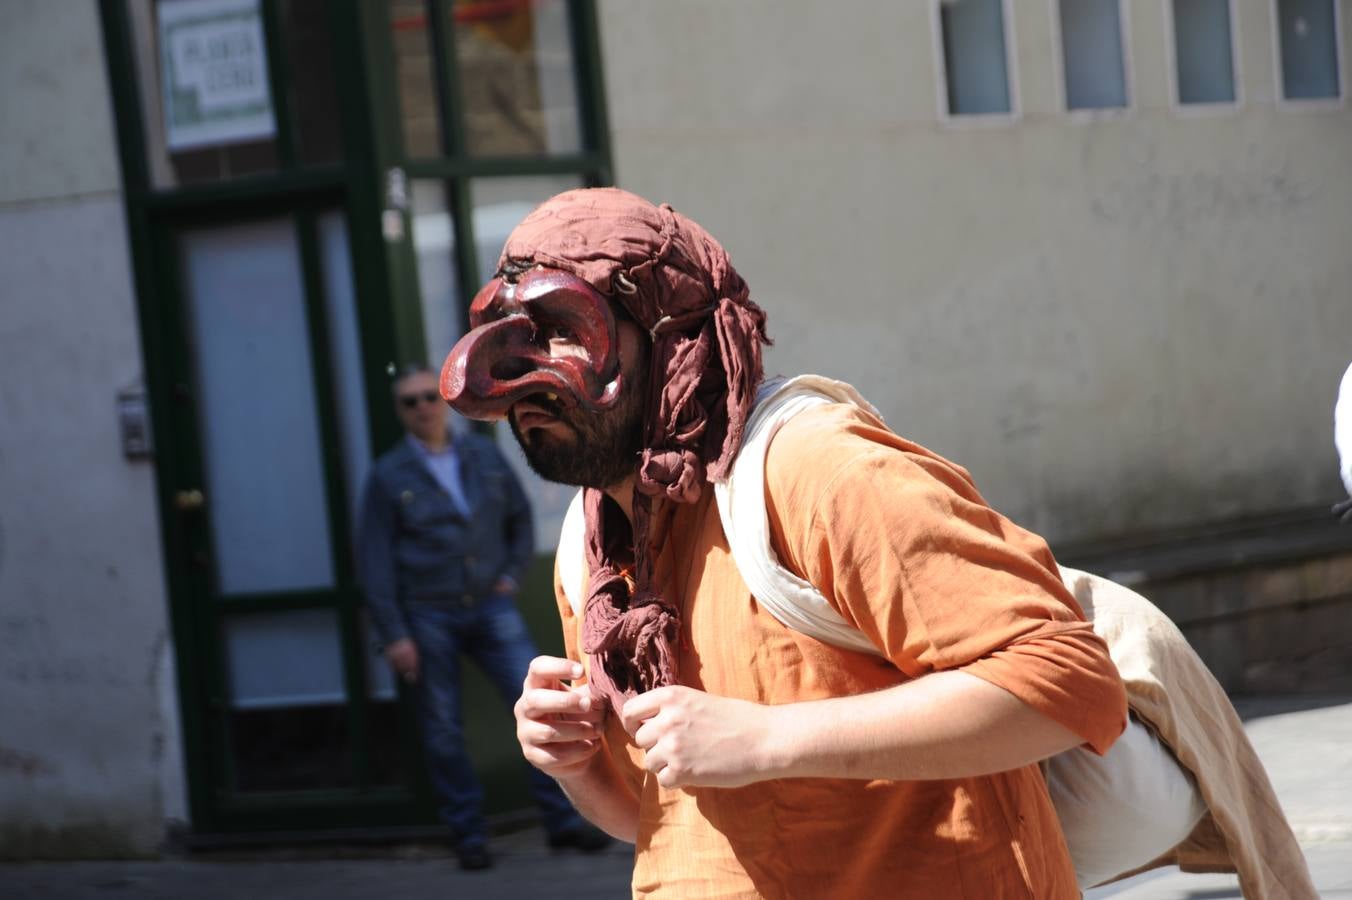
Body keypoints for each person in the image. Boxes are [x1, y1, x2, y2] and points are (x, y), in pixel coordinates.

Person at [436, 188, 1132, 898]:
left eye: (562, 329)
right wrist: (576, 764)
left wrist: (767, 738)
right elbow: (657, 818)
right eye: (510, 333)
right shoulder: (590, 543)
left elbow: (1072, 683)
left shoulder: (816, 471)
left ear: (671, 339)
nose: (524, 377)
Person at [356, 365, 611, 870]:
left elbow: (519, 519)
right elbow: (375, 562)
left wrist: (512, 574)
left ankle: (564, 824)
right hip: (427, 613)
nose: (423, 407)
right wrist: (395, 636)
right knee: (444, 728)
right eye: (410, 402)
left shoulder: (482, 455)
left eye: (430, 396)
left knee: (542, 707)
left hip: (491, 606)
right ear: (400, 412)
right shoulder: (388, 477)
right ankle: (468, 834)